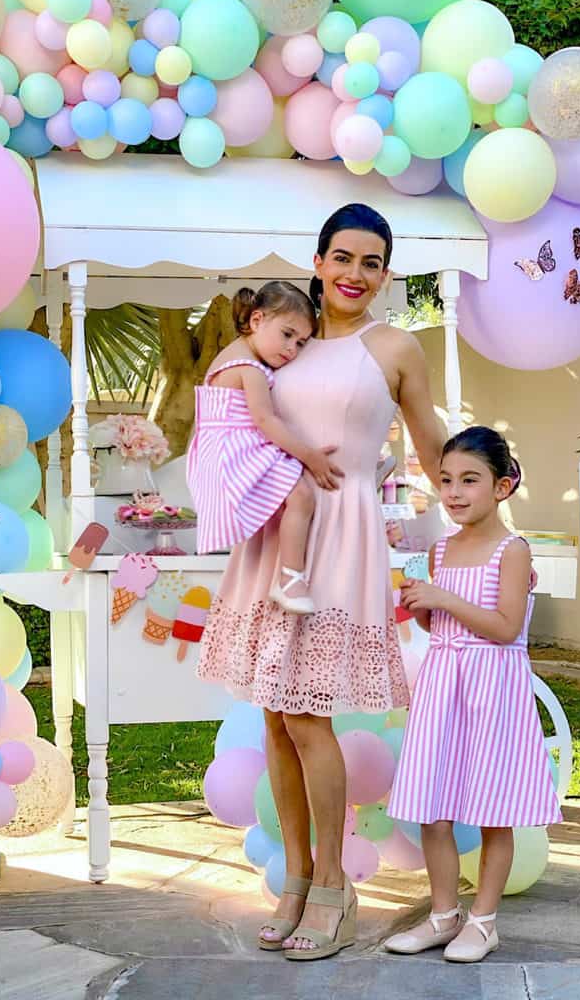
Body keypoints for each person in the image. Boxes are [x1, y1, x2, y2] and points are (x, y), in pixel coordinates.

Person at [196, 203, 445, 960]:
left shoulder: (394, 346)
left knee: (307, 716)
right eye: (343, 257)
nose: (354, 275)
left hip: (342, 538)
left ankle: (335, 885)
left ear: (386, 273)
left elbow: (433, 442)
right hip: (277, 532)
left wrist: (474, 507)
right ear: (317, 260)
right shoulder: (281, 343)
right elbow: (230, 414)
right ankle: (297, 878)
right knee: (274, 715)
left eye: (371, 262)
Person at [385, 427, 562, 964]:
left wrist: (443, 597)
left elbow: (506, 627)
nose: (455, 493)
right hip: (444, 682)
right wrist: (423, 605)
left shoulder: (512, 549)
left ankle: (483, 922)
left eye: (470, 480)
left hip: (492, 687)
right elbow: (442, 622)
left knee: (491, 808)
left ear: (503, 486)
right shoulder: (440, 550)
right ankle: (443, 914)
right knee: (432, 808)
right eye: (445, 481)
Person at [187, 280, 340, 614]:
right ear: (256, 320)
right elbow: (266, 421)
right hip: (236, 449)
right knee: (302, 497)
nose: (292, 350)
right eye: (287, 335)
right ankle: (290, 578)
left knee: (293, 499)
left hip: (229, 445)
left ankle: (287, 574)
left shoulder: (238, 354)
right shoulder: (249, 368)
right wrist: (309, 456)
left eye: (300, 343)